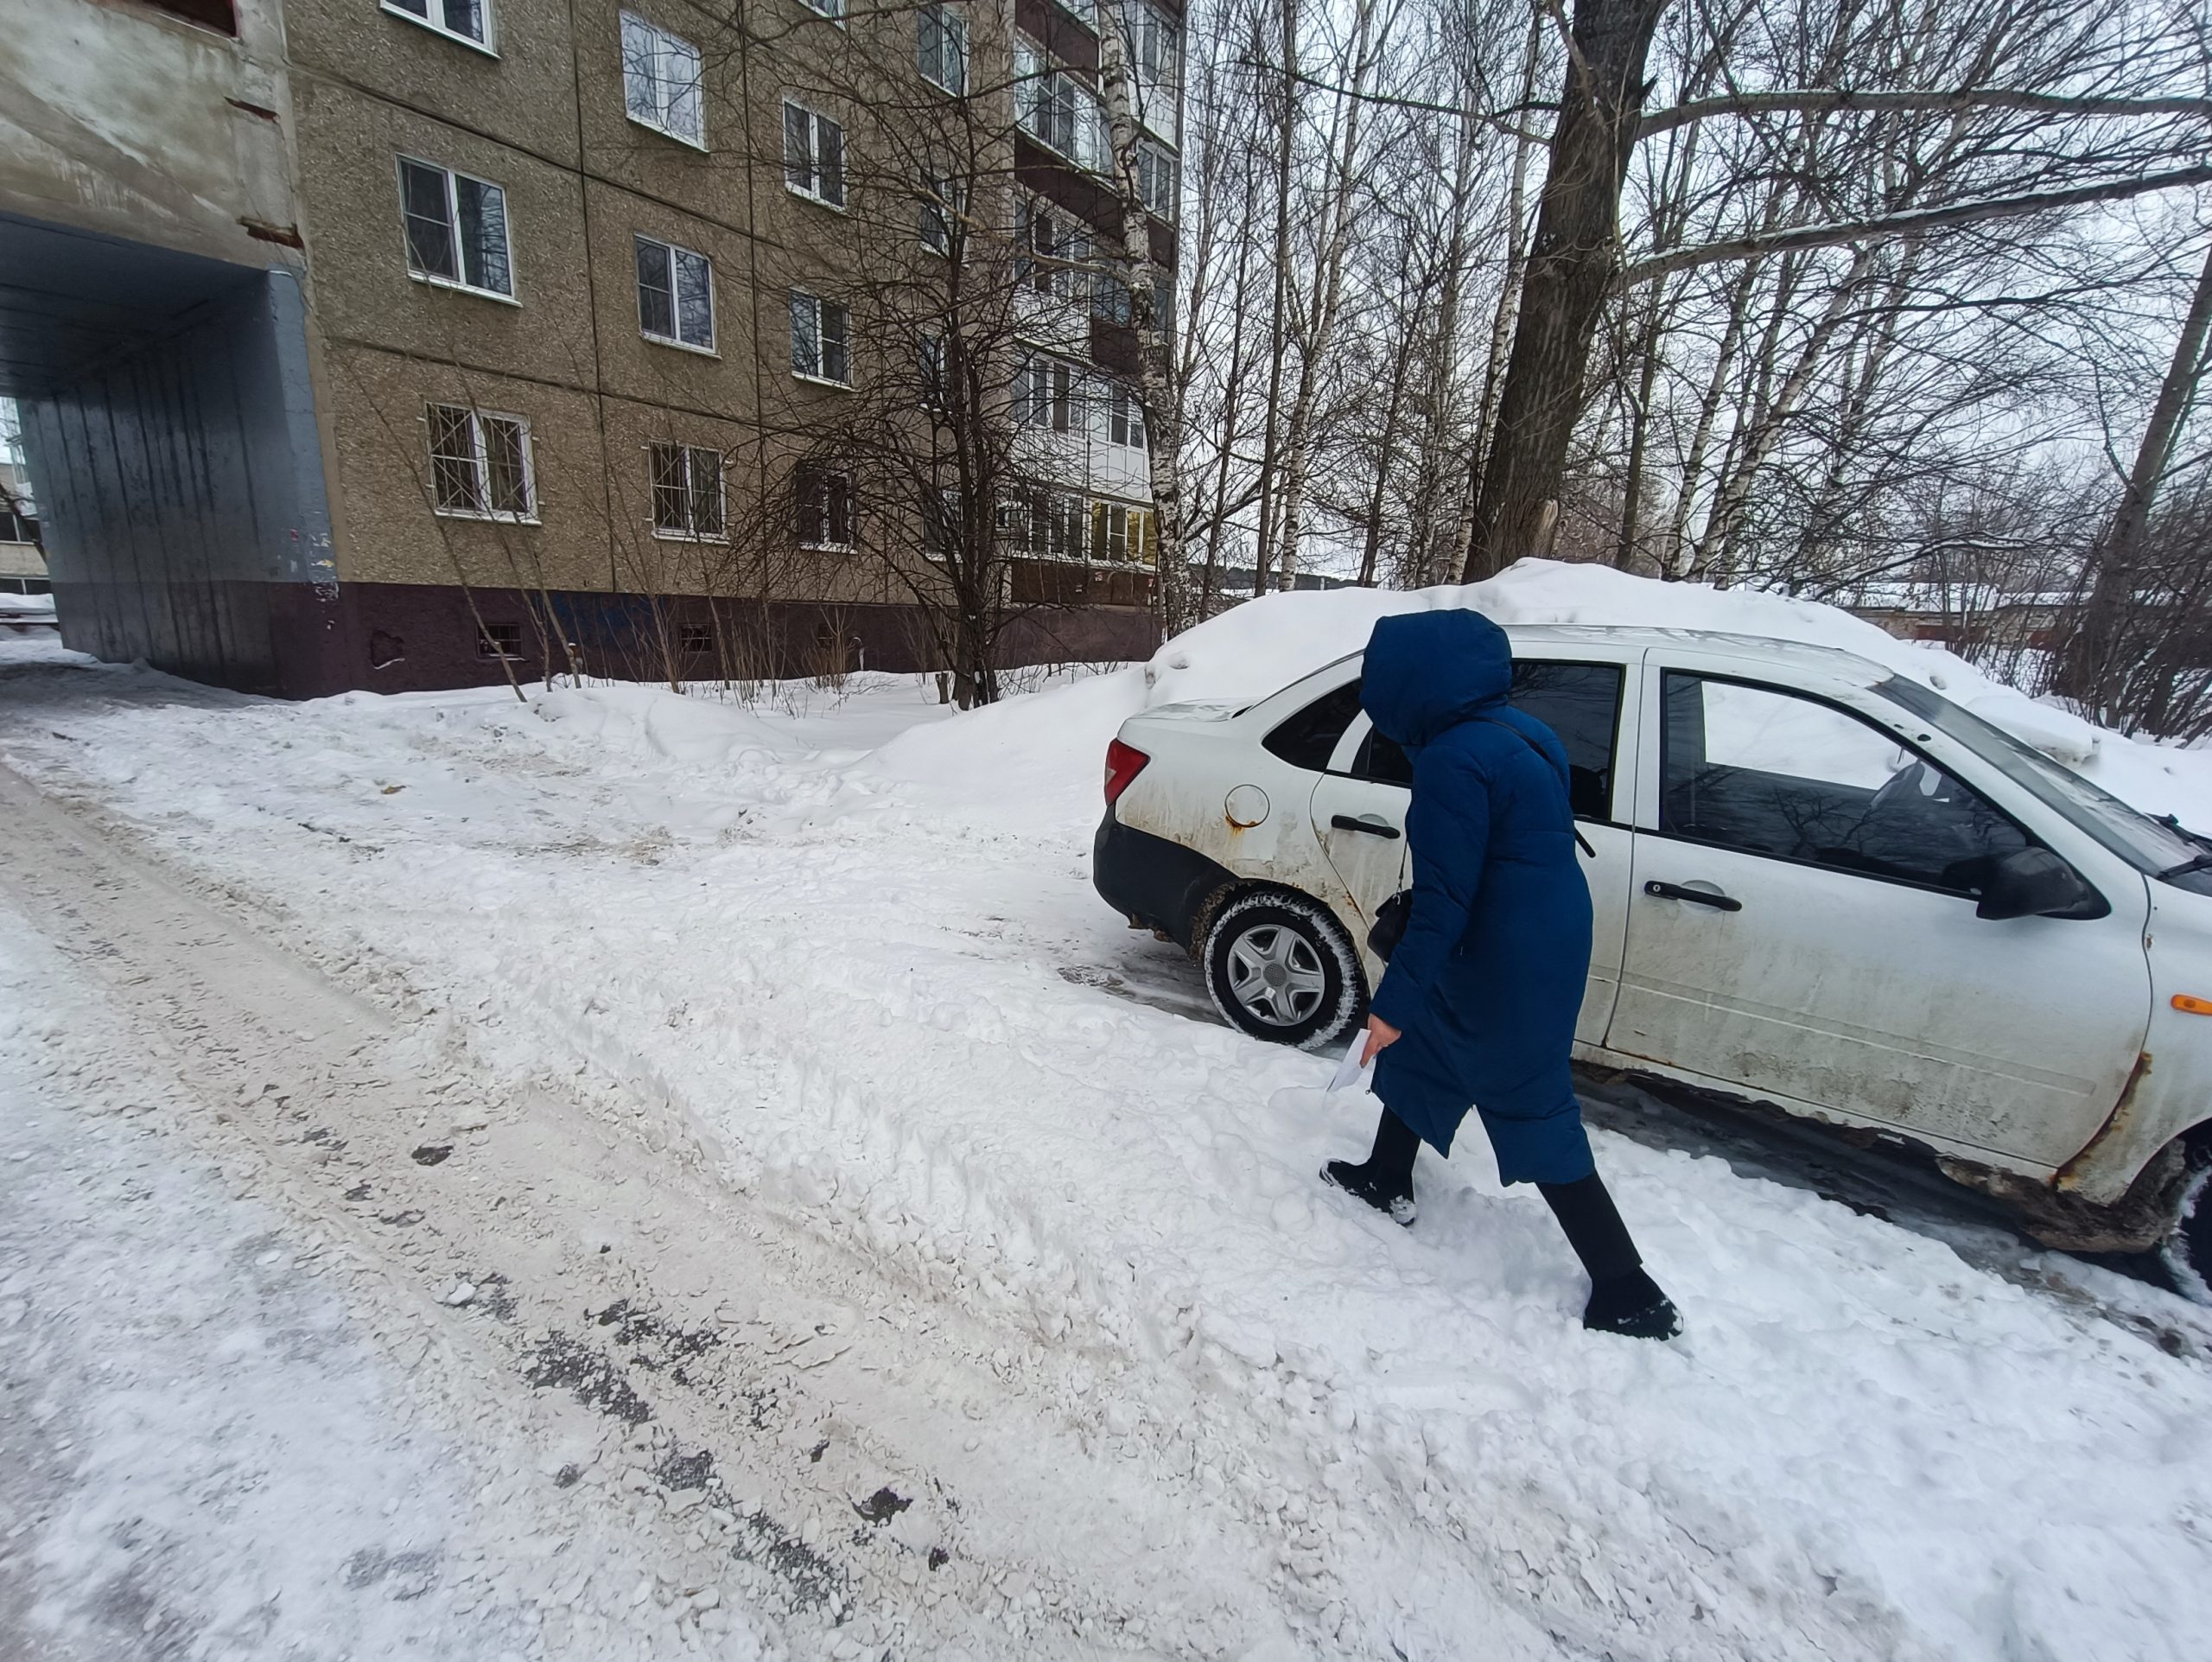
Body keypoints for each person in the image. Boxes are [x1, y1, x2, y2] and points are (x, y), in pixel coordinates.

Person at [1321, 608, 1681, 1340]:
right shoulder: (1523, 729)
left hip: (1504, 951)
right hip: (1539, 924)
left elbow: (1445, 903)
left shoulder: (1454, 759)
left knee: (1527, 1096)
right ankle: (1388, 1174)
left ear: (1411, 687)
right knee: (1427, 1047)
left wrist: (1390, 1003)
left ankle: (1627, 1286)